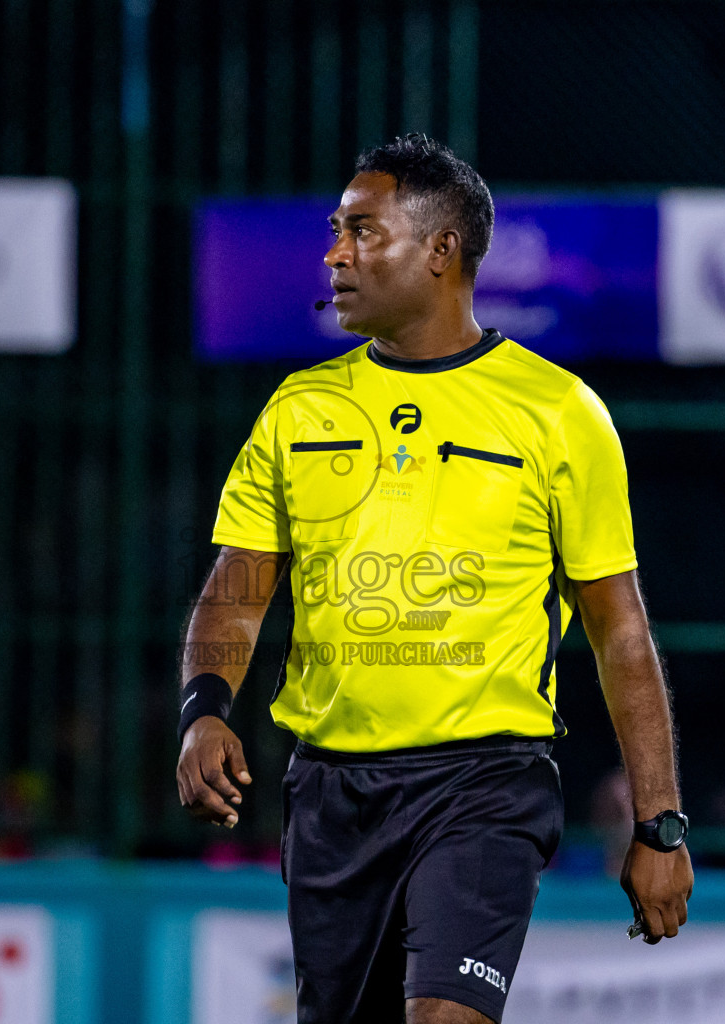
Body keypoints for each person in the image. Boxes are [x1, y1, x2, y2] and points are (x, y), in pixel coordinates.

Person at [175, 134, 693, 1024]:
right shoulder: (300, 409)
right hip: (331, 794)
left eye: (363, 232)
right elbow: (239, 584)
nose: (336, 255)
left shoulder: (558, 411)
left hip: (484, 785)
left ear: (442, 251)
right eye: (336, 233)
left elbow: (619, 629)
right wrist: (204, 709)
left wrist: (659, 824)